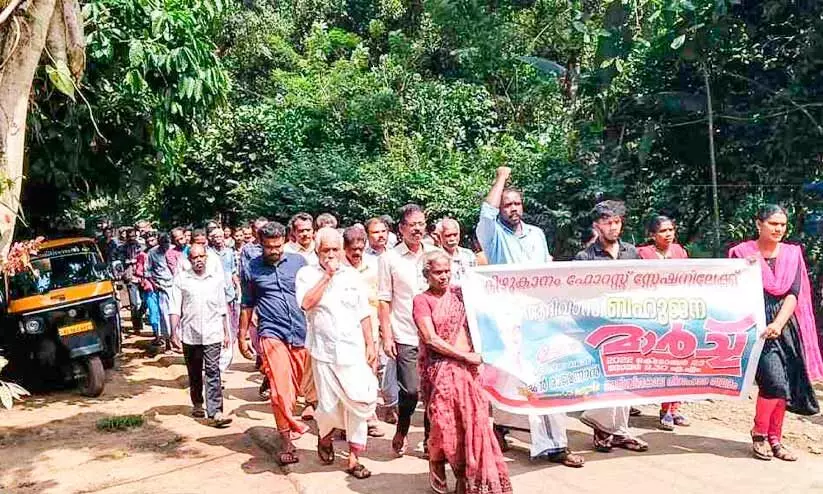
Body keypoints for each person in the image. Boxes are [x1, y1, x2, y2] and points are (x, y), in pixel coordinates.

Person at [476, 166, 583, 467]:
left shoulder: (537, 234)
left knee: (546, 379)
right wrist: (500, 179)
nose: (512, 209)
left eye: (516, 204)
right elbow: (486, 213)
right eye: (506, 204)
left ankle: (557, 445)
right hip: (508, 322)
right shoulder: (493, 235)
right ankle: (502, 426)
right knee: (510, 380)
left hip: (541, 320)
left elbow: (545, 273)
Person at [729, 205, 823, 461]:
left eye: (782, 224)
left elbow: (793, 293)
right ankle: (760, 434)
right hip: (755, 326)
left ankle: (775, 439)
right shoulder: (742, 254)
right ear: (759, 224)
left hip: (785, 326)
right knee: (774, 383)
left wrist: (779, 324)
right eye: (773, 224)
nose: (779, 229)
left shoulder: (792, 254)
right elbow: (730, 292)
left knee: (784, 387)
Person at [414, 251, 512, 494]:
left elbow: (491, 307)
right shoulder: (422, 300)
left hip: (469, 371)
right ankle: (437, 462)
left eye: (447, 271)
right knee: (444, 424)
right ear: (427, 274)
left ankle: (467, 477)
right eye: (438, 272)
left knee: (473, 422)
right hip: (441, 370)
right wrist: (464, 356)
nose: (444, 276)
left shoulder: (461, 294)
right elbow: (430, 339)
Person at [296, 228, 378, 479]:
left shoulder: (352, 275)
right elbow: (306, 303)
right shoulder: (306, 274)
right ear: (317, 251)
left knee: (359, 402)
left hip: (352, 350)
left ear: (341, 249)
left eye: (335, 250)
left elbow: (363, 311)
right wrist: (327, 277)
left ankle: (355, 459)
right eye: (325, 251)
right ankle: (324, 436)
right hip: (323, 351)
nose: (331, 255)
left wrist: (370, 344)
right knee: (329, 407)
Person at [575, 200, 649, 453]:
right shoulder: (585, 258)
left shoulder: (632, 253)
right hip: (599, 327)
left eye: (617, 222)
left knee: (626, 378)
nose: (613, 227)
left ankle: (620, 431)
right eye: (608, 223)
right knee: (605, 378)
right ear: (597, 226)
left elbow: (643, 285)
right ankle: (602, 430)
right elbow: (578, 294)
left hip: (629, 323)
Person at [238, 222, 310, 465]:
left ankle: (289, 420)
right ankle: (287, 439)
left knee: (293, 390)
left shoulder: (299, 263)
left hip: (300, 333)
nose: (274, 251)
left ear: (285, 241)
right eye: (269, 247)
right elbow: (247, 304)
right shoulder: (251, 268)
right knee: (279, 388)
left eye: (278, 246)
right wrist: (242, 335)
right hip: (271, 332)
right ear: (261, 245)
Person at [378, 204, 439, 456]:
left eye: (421, 224)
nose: (417, 229)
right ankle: (402, 429)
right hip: (404, 333)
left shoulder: (434, 254)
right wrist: (386, 335)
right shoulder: (388, 258)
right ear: (401, 228)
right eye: (412, 225)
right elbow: (384, 299)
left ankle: (428, 440)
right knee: (411, 390)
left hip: (434, 335)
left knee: (432, 391)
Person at [637, 215, 691, 431]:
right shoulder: (643, 254)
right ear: (652, 235)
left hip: (678, 313)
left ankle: (674, 408)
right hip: (654, 314)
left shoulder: (680, 251)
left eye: (670, 230)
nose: (668, 234)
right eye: (662, 231)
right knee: (662, 363)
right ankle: (664, 410)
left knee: (679, 361)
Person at [169, 244, 232, 428]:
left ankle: (216, 411)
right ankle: (197, 402)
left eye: (201, 257)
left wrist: (227, 332)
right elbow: (175, 307)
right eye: (194, 257)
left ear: (206, 257)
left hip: (213, 333)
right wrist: (174, 332)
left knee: (213, 370)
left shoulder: (216, 279)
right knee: (194, 370)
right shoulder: (181, 279)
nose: (198, 260)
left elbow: (223, 307)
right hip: (190, 334)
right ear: (189, 260)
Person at [343, 225, 385, 438]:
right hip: (345, 330)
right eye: (353, 248)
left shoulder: (374, 266)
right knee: (347, 374)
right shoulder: (338, 268)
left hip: (371, 326)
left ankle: (370, 416)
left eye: (361, 248)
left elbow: (382, 297)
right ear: (345, 247)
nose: (357, 253)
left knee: (370, 371)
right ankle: (347, 421)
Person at [210, 228, 241, 374]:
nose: (218, 239)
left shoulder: (229, 252)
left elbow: (233, 271)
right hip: (215, 296)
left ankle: (223, 361)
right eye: (215, 236)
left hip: (229, 294)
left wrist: (238, 287)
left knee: (232, 326)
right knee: (221, 328)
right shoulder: (209, 253)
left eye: (220, 236)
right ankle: (218, 365)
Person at [146, 233, 176, 351]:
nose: (165, 246)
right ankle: (168, 342)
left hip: (176, 286)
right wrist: (155, 285)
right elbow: (148, 271)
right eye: (163, 243)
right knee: (164, 314)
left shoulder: (174, 250)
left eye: (167, 243)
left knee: (178, 313)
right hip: (161, 287)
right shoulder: (152, 253)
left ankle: (179, 340)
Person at [438, 218, 477, 285]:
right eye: (448, 236)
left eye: (455, 235)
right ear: (440, 236)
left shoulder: (469, 255)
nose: (452, 239)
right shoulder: (436, 257)